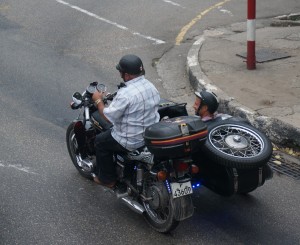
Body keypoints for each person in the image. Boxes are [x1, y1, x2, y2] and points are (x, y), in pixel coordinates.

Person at [91, 54, 161, 188]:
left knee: (100, 141)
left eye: (121, 72)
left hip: (130, 141)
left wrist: (98, 100)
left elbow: (107, 116)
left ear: (127, 75)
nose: (120, 74)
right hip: (149, 136)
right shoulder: (151, 86)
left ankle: (107, 179)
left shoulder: (126, 94)